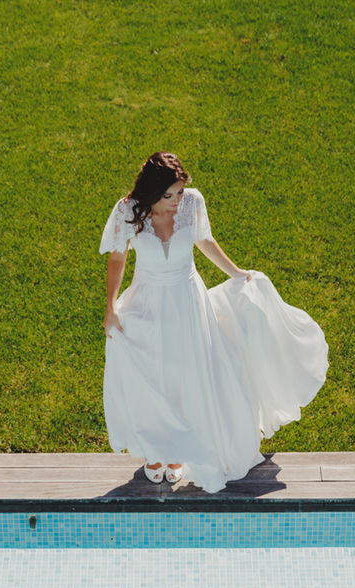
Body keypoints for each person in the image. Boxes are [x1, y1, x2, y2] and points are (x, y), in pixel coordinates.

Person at [100, 152, 328, 493]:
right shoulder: (128, 210)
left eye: (179, 192)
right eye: (169, 195)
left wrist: (236, 273)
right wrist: (110, 307)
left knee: (187, 376)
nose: (177, 201)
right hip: (147, 302)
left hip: (188, 302)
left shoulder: (192, 203)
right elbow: (118, 258)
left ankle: (178, 455)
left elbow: (204, 241)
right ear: (151, 192)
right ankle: (154, 453)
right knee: (153, 375)